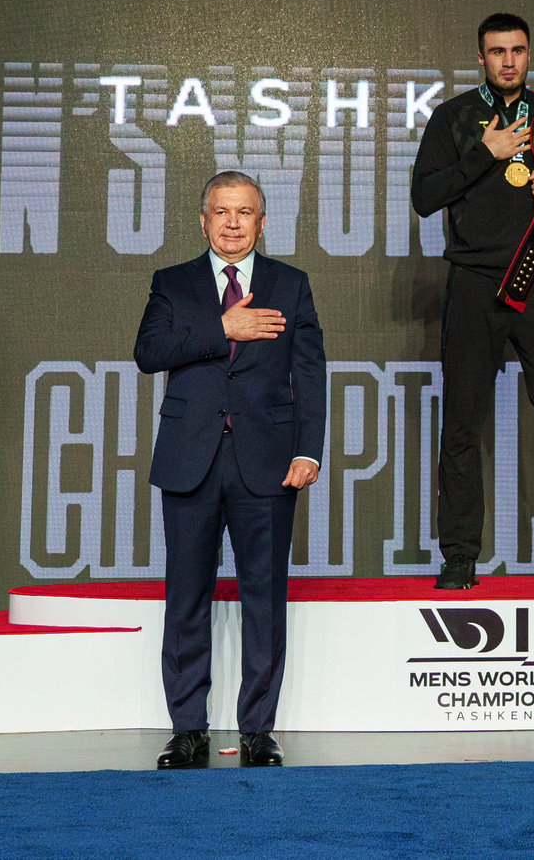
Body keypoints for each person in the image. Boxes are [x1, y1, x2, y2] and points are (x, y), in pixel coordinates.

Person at [133, 172, 327, 769]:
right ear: (203, 219)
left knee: (264, 598)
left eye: (245, 212)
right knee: (185, 597)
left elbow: (310, 373)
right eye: (222, 211)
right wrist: (223, 327)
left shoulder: (290, 286)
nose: (233, 222)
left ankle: (257, 732)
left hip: (267, 463)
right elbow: (149, 353)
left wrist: (308, 450)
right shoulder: (173, 284)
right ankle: (188, 732)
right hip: (190, 459)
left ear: (262, 221)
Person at [409, 12, 534, 590]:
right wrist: (485, 154)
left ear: (529, 53)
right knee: (462, 426)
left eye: (518, 50)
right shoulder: (452, 118)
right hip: (475, 283)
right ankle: (460, 558)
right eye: (497, 51)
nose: (508, 61)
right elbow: (425, 197)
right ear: (480, 57)